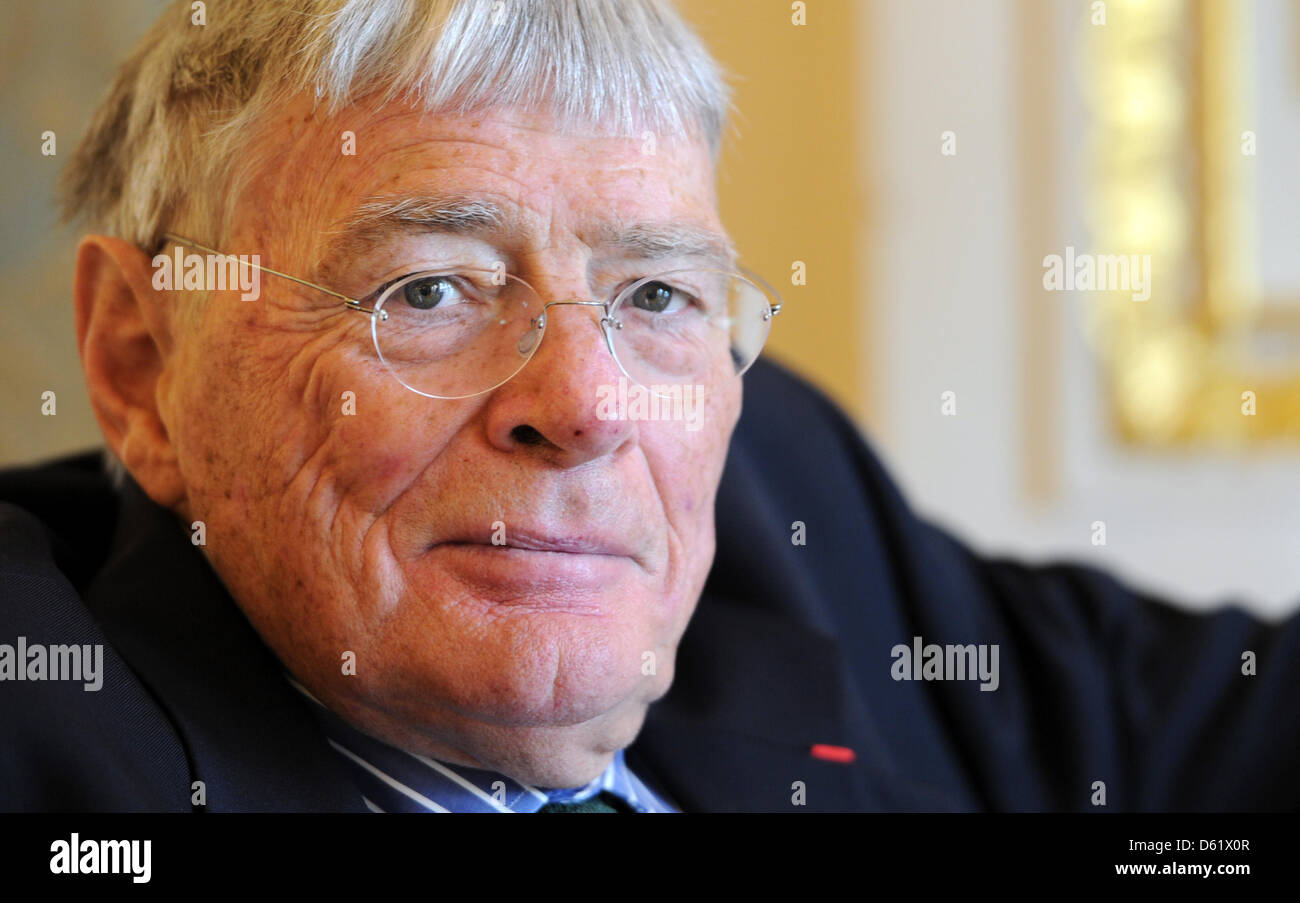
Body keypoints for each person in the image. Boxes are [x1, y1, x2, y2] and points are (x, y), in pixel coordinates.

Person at [1, 0, 1297, 813]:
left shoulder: (779, 491)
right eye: (432, 288)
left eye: (659, 294)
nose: (586, 402)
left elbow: (1206, 720)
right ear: (140, 364)